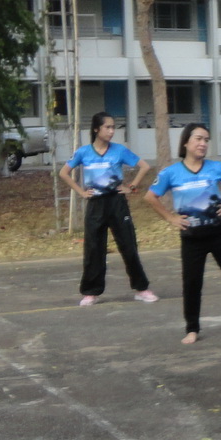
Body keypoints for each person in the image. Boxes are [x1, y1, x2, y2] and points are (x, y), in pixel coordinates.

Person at [146, 123, 221, 346]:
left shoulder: (217, 168)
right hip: (192, 237)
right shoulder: (170, 172)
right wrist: (171, 218)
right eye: (199, 139)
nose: (203, 144)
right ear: (186, 142)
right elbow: (150, 197)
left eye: (206, 140)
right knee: (192, 283)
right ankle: (192, 328)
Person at [62, 112, 158, 307]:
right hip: (95, 204)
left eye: (113, 127)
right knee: (94, 248)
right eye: (108, 127)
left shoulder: (119, 150)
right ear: (96, 129)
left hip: (117, 203)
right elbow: (64, 173)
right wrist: (81, 192)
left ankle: (141, 289)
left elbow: (144, 166)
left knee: (128, 245)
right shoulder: (83, 152)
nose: (112, 131)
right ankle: (91, 292)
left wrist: (131, 187)